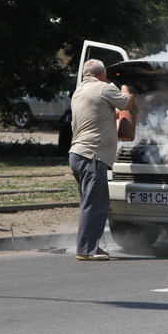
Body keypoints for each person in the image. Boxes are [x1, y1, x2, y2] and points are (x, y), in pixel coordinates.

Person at [69, 59, 135, 261]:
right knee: (96, 204)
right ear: (102, 75)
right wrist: (125, 87)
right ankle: (87, 250)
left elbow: (103, 113)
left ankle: (88, 246)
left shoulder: (80, 91)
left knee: (89, 203)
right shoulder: (103, 88)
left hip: (77, 154)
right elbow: (127, 103)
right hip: (92, 155)